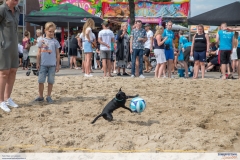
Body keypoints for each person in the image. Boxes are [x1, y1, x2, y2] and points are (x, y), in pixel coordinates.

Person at [0, 0, 20, 112]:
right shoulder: (2, 9)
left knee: (13, 70)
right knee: (3, 73)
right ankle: (1, 100)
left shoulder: (17, 10)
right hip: (3, 47)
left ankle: (8, 98)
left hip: (14, 46)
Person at [35, 22, 60, 103]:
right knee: (41, 81)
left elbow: (57, 54)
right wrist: (37, 62)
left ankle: (48, 96)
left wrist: (57, 65)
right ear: (45, 31)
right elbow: (38, 53)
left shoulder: (55, 42)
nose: (51, 33)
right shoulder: (41, 41)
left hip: (52, 65)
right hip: (43, 64)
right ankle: (41, 96)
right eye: (50, 31)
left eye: (53, 31)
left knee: (50, 81)